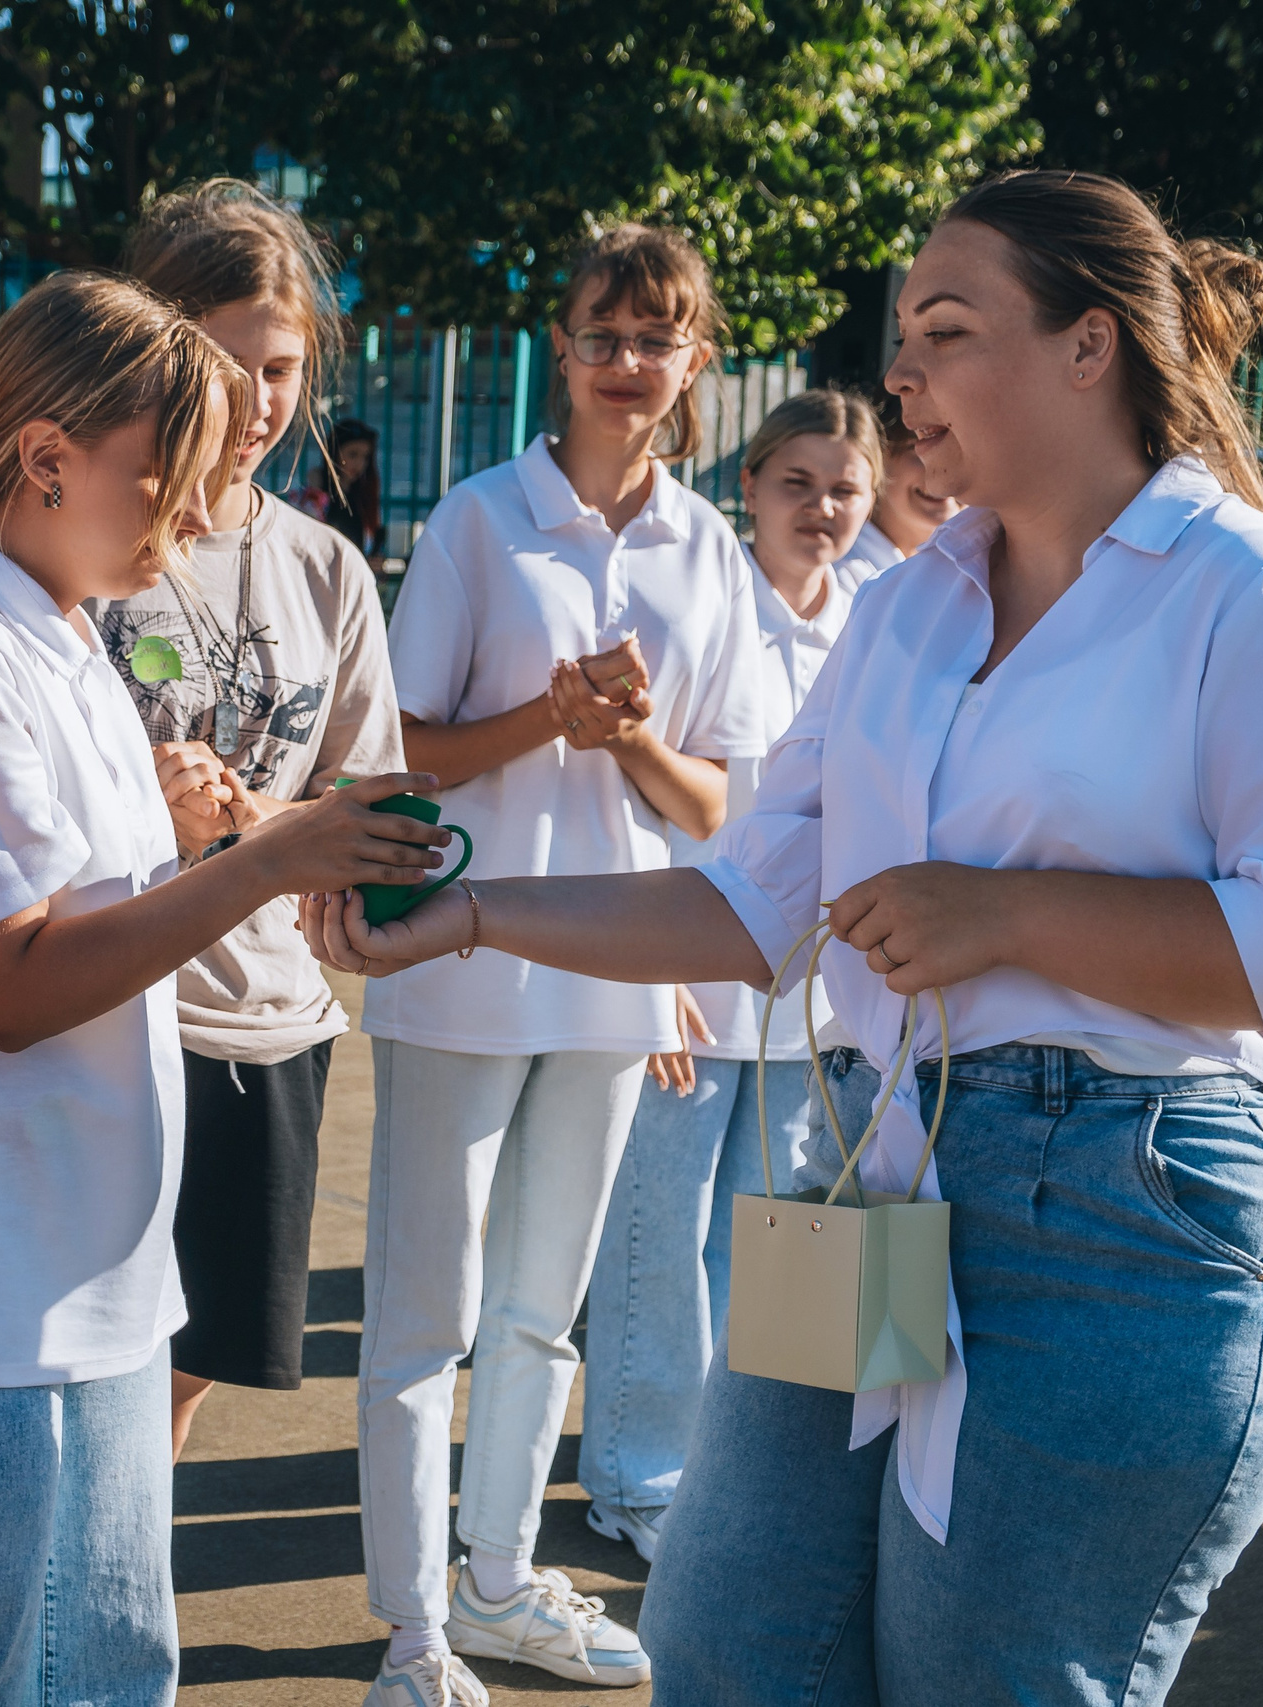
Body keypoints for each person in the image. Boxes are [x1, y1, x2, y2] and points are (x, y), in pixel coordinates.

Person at [304, 168, 1263, 1703]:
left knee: (986, 1673)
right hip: (871, 1174)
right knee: (724, 1644)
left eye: (947, 332)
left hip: (1132, 1213)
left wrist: (1011, 911)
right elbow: (743, 898)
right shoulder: (910, 611)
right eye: (904, 334)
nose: (899, 374)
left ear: (1089, 348)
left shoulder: (1249, 590)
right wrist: (472, 913)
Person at [0, 270, 450, 1707]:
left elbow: (87, 912)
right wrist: (267, 859)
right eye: (173, 476)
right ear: (45, 460)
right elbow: (9, 986)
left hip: (89, 1276)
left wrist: (215, 833)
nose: (201, 514)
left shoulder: (65, 636)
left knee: (109, 1667)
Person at [355, 222, 764, 1707]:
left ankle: (500, 1578)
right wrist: (548, 716)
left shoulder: (709, 548)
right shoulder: (480, 521)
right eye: (602, 332)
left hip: (610, 976)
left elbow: (715, 800)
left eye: (657, 337)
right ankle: (410, 1631)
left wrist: (629, 734)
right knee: (424, 1318)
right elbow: (402, 749)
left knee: (541, 1309)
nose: (626, 362)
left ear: (694, 360)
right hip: (454, 962)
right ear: (562, 342)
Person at [93, 180, 403, 1458]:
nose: (260, 400)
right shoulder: (90, 550)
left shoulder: (326, 566)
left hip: (274, 1024)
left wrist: (257, 819)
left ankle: (118, 1583)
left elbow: (376, 801)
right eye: (227, 364)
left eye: (283, 368)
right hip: (111, 1015)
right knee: (92, 1354)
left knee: (190, 1367)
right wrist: (147, 817)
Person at [577, 387, 883, 1563]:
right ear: (748, 486)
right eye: (795, 483)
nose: (820, 509)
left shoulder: (878, 611)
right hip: (693, 974)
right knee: (655, 1239)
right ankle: (639, 1481)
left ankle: (733, 1473)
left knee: (767, 1248)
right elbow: (643, 794)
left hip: (814, 994)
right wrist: (651, 973)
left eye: (843, 488)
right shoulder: (711, 603)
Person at [837, 403, 959, 574]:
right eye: (921, 450)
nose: (946, 473)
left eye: (961, 452)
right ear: (879, 455)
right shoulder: (842, 574)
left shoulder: (962, 571)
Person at [291, 417, 382, 556]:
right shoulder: (315, 492)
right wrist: (316, 492)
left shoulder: (362, 497)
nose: (359, 463)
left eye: (365, 457)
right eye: (352, 454)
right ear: (334, 453)